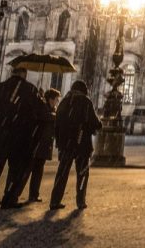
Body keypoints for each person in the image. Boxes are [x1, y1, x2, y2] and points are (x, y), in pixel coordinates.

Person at [0, 67, 44, 209]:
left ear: (12, 73)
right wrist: (39, 97)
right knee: (14, 169)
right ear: (24, 74)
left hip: (1, 133)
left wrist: (6, 107)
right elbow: (40, 110)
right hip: (19, 134)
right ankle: (8, 199)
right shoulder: (29, 89)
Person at [50, 80, 102, 210]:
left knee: (62, 172)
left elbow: (56, 124)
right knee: (82, 173)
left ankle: (55, 201)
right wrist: (94, 126)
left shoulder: (63, 102)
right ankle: (80, 201)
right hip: (81, 143)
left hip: (66, 145)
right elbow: (95, 123)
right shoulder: (85, 102)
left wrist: (59, 141)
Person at [25, 88, 61, 202]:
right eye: (56, 99)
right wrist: (57, 116)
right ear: (50, 99)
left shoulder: (51, 109)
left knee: (38, 170)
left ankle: (34, 194)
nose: (57, 102)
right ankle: (14, 194)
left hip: (44, 145)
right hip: (37, 143)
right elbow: (46, 116)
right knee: (28, 170)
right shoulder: (43, 107)